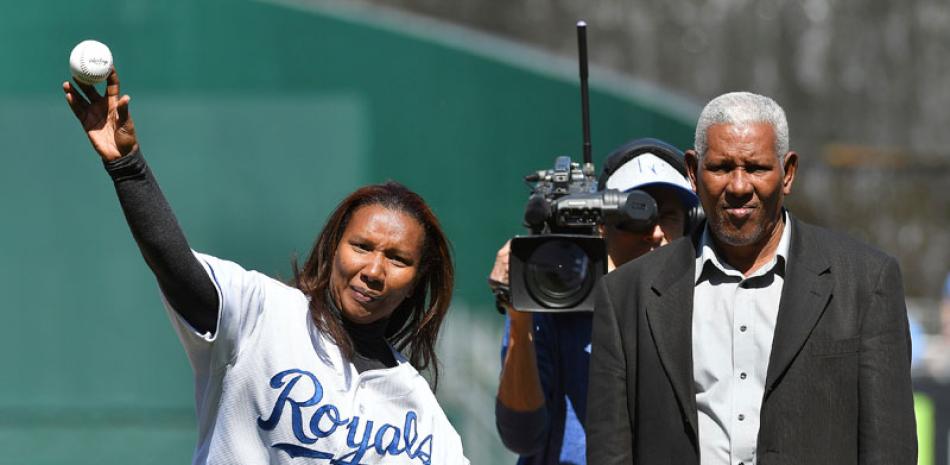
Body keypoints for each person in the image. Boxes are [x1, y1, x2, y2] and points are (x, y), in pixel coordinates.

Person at [63, 68, 469, 465]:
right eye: (361, 247)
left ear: (417, 281)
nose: (374, 271)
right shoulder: (265, 314)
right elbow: (175, 268)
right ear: (333, 249)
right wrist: (128, 169)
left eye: (397, 259)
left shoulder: (418, 410)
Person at [586, 91, 916, 464]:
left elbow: (891, 450)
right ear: (693, 173)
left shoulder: (865, 283)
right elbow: (609, 453)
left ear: (787, 173)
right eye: (722, 168)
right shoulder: (628, 294)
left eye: (756, 168)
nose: (739, 186)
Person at [490, 139, 700, 465]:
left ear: (691, 226)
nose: (655, 232)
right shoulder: (554, 299)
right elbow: (521, 435)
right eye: (636, 214)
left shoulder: (705, 309)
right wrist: (519, 318)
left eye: (669, 216)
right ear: (602, 226)